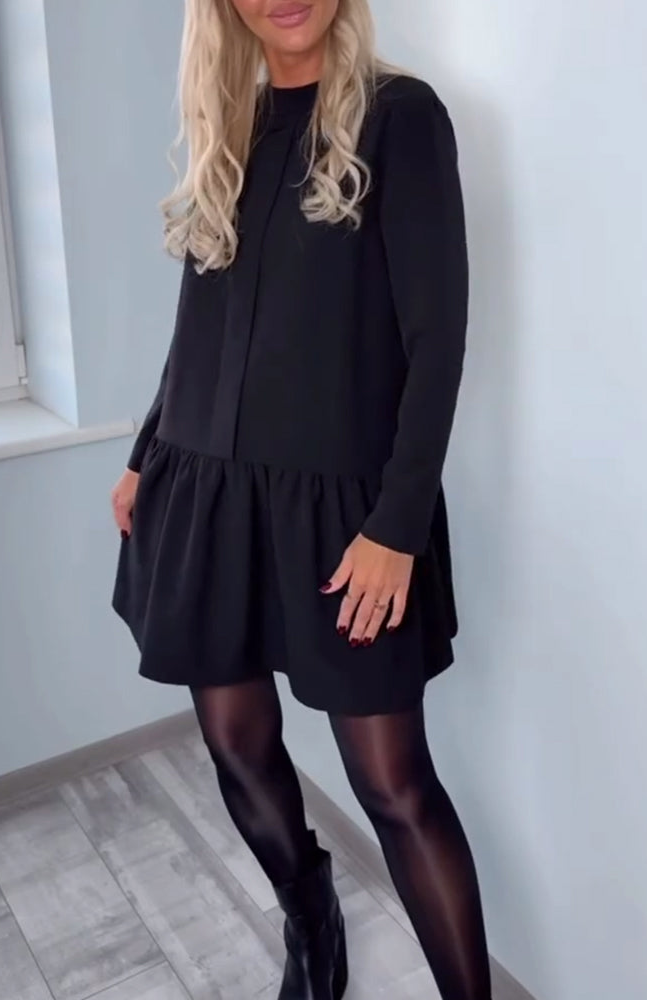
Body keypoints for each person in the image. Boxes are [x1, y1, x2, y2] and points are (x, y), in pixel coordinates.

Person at [111, 1, 490, 997]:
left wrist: (396, 527)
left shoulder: (400, 118)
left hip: (342, 518)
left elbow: (437, 341)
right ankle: (310, 914)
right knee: (235, 742)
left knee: (393, 784)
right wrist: (147, 452)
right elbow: (200, 324)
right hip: (206, 492)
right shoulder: (229, 127)